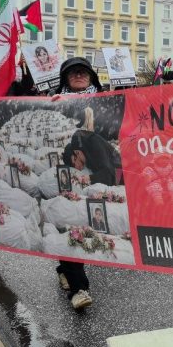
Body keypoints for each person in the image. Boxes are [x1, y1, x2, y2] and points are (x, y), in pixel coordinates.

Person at [50, 57, 109, 310]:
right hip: (65, 171)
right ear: (64, 77)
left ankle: (65, 270)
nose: (78, 75)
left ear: (91, 76)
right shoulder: (51, 100)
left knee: (86, 223)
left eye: (83, 71)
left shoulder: (106, 100)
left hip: (96, 173)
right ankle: (79, 288)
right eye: (72, 72)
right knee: (69, 223)